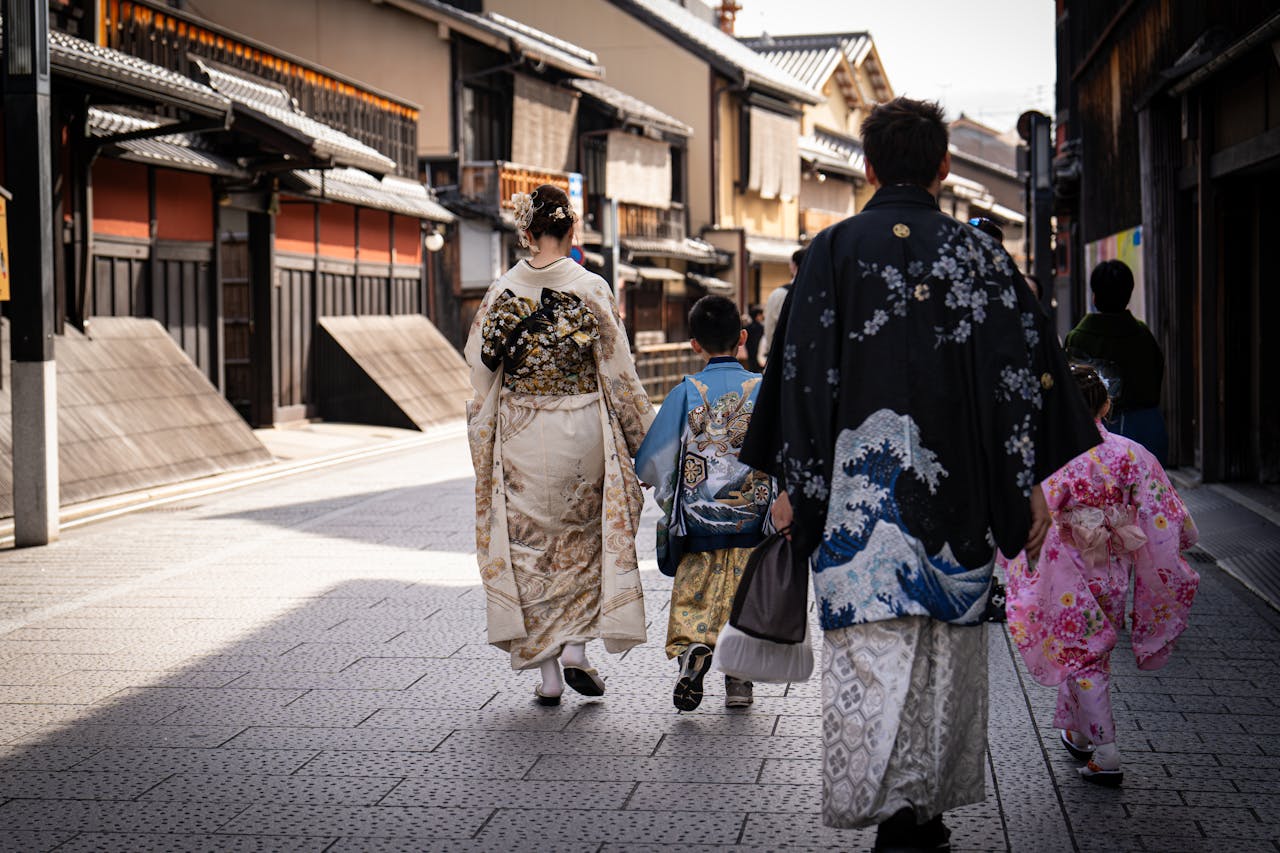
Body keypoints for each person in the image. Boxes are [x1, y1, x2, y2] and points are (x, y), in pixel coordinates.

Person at [742, 97, 1100, 851]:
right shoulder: (981, 259)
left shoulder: (832, 253)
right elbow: (1019, 379)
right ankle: (924, 810)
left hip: (854, 513)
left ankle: (893, 812)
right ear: (943, 167)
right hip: (958, 508)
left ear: (867, 165)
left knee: (871, 663)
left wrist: (794, 491)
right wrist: (1023, 483)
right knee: (943, 662)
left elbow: (801, 380)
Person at [464, 184, 655, 707]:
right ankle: (575, 647)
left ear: (527, 232)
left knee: (531, 551)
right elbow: (620, 373)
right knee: (583, 540)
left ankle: (547, 675)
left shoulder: (502, 290)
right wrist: (645, 442)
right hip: (581, 430)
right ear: (571, 231)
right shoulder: (590, 287)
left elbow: (480, 372)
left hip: (523, 432)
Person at [1000, 364, 1199, 787]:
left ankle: (1107, 751)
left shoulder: (1056, 455)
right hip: (1113, 568)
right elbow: (1162, 506)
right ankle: (1079, 732)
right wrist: (1185, 535)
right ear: (1107, 405)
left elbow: (1032, 507)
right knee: (1092, 650)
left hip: (1069, 570)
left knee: (1084, 653)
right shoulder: (1130, 452)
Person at [635, 295, 774, 712]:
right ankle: (739, 683)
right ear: (743, 338)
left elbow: (653, 458)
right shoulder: (764, 389)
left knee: (695, 595)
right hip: (754, 519)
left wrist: (653, 480)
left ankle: (694, 650)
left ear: (695, 344)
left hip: (700, 520)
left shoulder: (687, 391)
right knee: (746, 599)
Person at [1064, 259, 1168, 463]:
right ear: (1128, 295)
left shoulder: (1077, 338)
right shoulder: (1142, 335)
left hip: (1095, 433)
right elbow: (1156, 378)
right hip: (1144, 429)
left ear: (1094, 296)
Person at [761, 246, 807, 355]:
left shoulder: (779, 294)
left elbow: (769, 329)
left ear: (793, 266)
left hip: (784, 355)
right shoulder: (824, 293)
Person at [744, 305, 766, 372]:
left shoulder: (747, 328)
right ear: (757, 316)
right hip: (759, 353)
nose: (762, 316)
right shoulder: (761, 328)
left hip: (750, 353)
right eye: (760, 314)